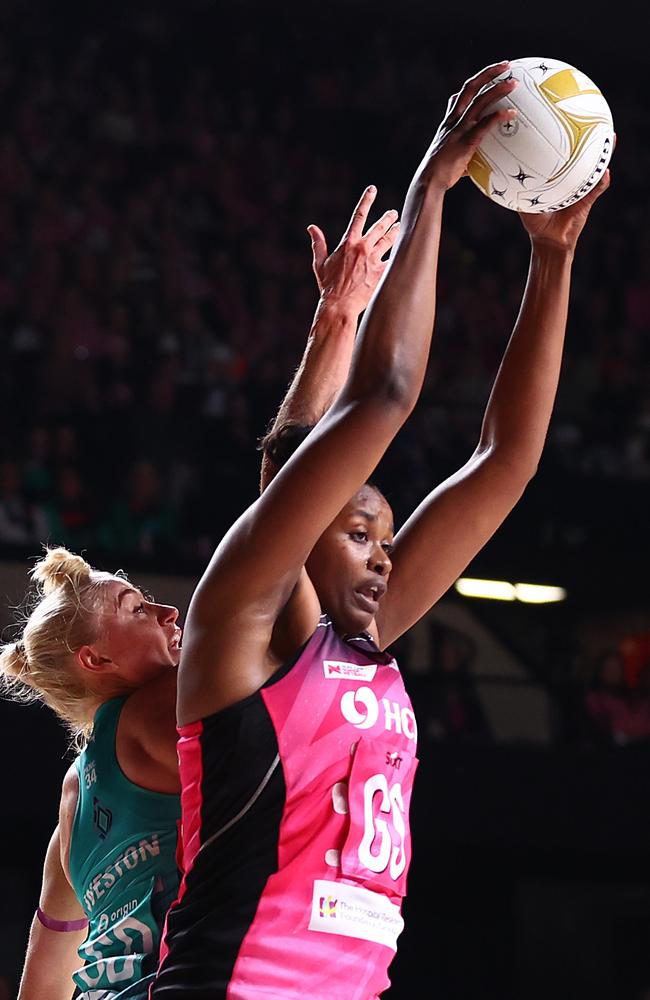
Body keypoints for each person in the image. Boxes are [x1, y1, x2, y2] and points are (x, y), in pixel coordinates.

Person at [150, 63, 610, 998]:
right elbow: (387, 395)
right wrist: (434, 185)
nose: (384, 553)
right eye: (359, 529)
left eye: (386, 535)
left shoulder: (366, 638)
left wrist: (552, 259)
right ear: (300, 524)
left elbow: (506, 461)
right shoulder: (237, 625)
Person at [2, 192, 400, 1000]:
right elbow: (280, 519)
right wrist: (336, 324)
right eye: (134, 608)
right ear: (95, 658)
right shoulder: (161, 715)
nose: (167, 610)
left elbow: (43, 979)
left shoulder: (74, 804)